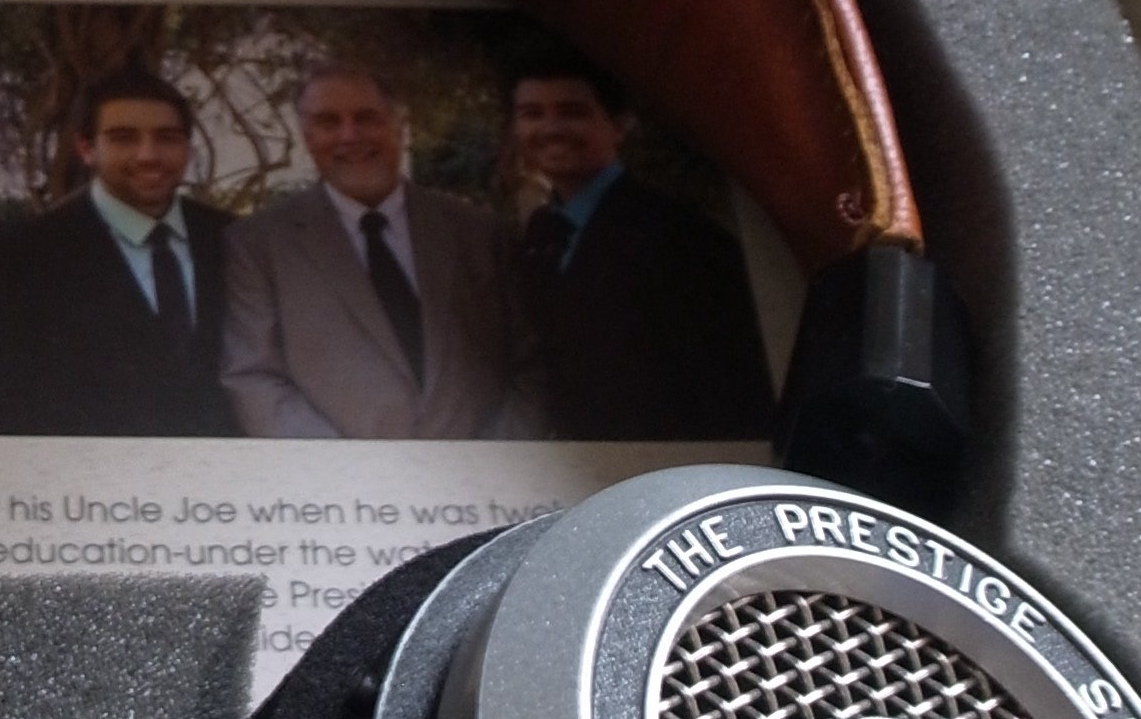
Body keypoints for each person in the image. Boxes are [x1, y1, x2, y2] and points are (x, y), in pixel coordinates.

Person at [222, 62, 524, 441]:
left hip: (484, 471)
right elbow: (254, 377)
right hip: (338, 475)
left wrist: (494, 458)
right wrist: (351, 470)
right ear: (307, 137)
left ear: (399, 125)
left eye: (366, 118)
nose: (350, 136)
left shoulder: (479, 233)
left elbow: (530, 365)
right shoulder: (260, 244)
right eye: (328, 122)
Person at [507, 50, 775, 442]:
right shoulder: (538, 235)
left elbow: (728, 386)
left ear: (620, 125)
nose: (551, 128)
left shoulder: (681, 237)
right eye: (532, 114)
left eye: (572, 112)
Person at [0, 62, 236, 438]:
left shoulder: (235, 240)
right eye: (124, 138)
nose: (148, 155)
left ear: (187, 146)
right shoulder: (17, 256)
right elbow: (6, 406)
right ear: (87, 148)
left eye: (167, 138)